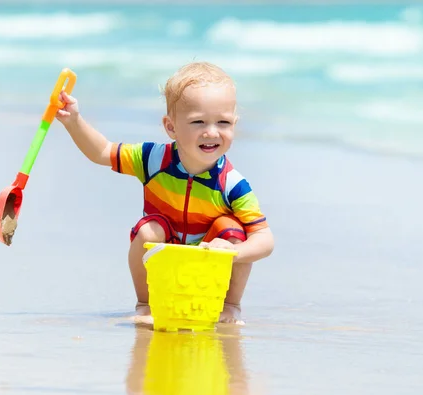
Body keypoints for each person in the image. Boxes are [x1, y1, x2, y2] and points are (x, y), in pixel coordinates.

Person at [56, 61, 274, 324]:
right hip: (163, 254)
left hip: (208, 261)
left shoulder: (233, 184)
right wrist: (74, 121)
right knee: (149, 228)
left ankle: (230, 306)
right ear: (171, 127)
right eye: (198, 122)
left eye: (223, 122)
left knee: (234, 231)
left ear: (234, 124)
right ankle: (145, 304)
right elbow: (103, 152)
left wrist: (231, 251)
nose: (212, 132)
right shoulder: (152, 159)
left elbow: (264, 239)